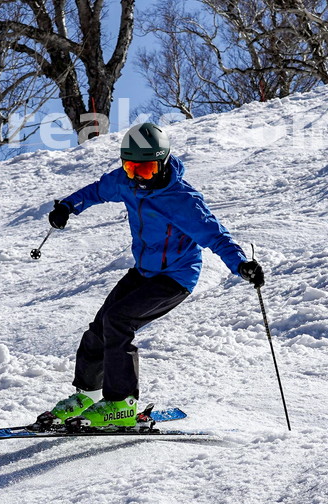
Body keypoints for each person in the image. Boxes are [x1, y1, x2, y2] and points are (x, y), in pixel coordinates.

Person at [40, 121, 265, 429]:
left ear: (161, 163)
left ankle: (122, 402)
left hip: (176, 277)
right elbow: (96, 191)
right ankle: (88, 395)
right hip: (144, 271)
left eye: (145, 171)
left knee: (119, 320)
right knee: (99, 328)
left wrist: (241, 265)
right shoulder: (124, 182)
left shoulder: (183, 201)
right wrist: (68, 207)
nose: (138, 178)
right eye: (132, 169)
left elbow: (216, 237)